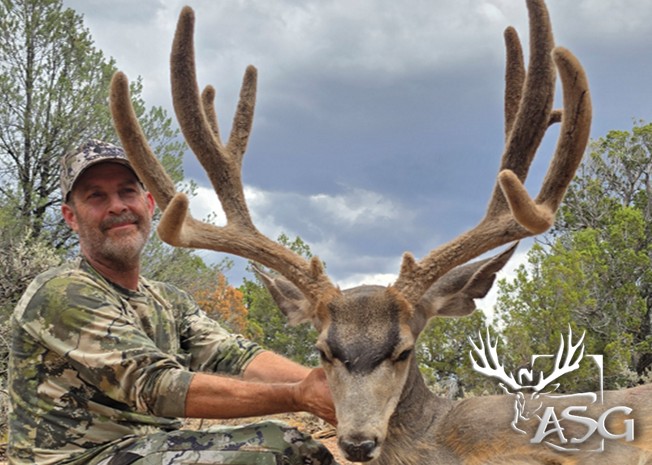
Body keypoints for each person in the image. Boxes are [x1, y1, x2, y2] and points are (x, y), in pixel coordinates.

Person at [8, 140, 339, 465]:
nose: (117, 206)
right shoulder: (62, 292)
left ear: (149, 204)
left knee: (299, 448)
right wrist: (300, 395)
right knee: (285, 449)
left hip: (148, 451)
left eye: (127, 192)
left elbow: (235, 355)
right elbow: (154, 385)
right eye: (96, 196)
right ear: (71, 217)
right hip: (81, 458)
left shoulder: (168, 300)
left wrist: (332, 388)